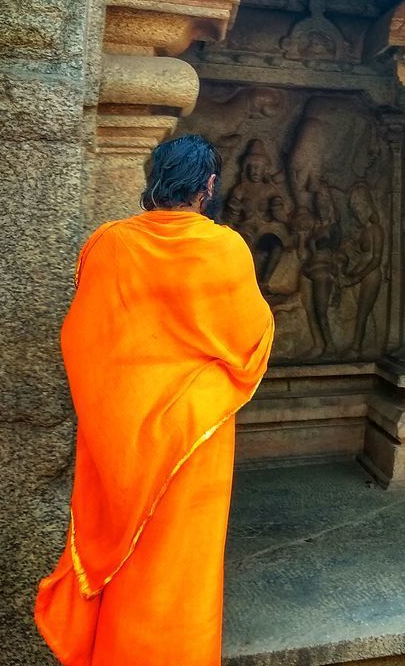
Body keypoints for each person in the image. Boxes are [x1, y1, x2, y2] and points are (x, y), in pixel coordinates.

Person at [35, 134, 274, 665]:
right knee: (181, 563)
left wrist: (114, 410)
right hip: (197, 430)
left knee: (130, 555)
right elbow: (250, 338)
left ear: (154, 179)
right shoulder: (225, 248)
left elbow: (82, 338)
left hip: (122, 432)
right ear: (208, 187)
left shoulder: (109, 242)